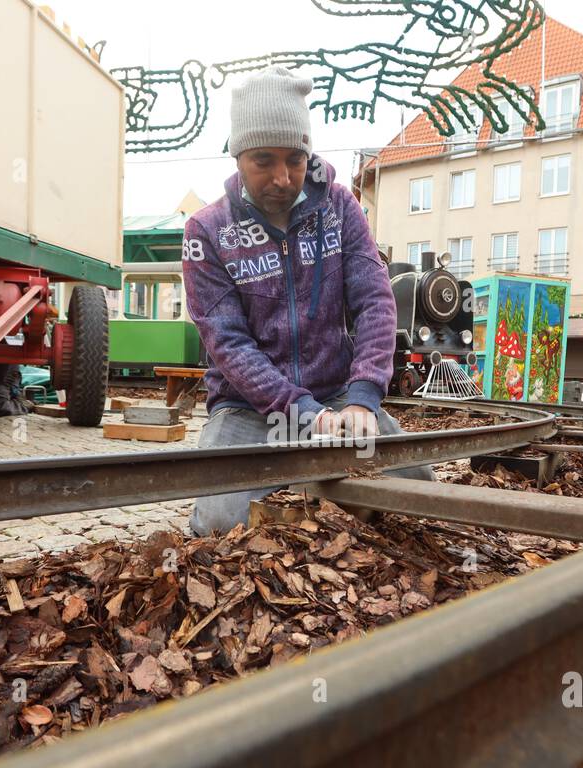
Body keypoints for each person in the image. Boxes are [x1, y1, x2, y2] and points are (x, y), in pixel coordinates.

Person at [181, 66, 434, 536]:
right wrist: (302, 413)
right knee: (220, 527)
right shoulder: (207, 232)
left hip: (339, 398)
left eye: (295, 159)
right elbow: (229, 344)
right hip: (247, 409)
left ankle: (320, 490)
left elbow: (376, 302)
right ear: (238, 156)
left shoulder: (341, 206)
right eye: (264, 160)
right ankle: (309, 486)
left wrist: (362, 398)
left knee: (422, 493)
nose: (282, 177)